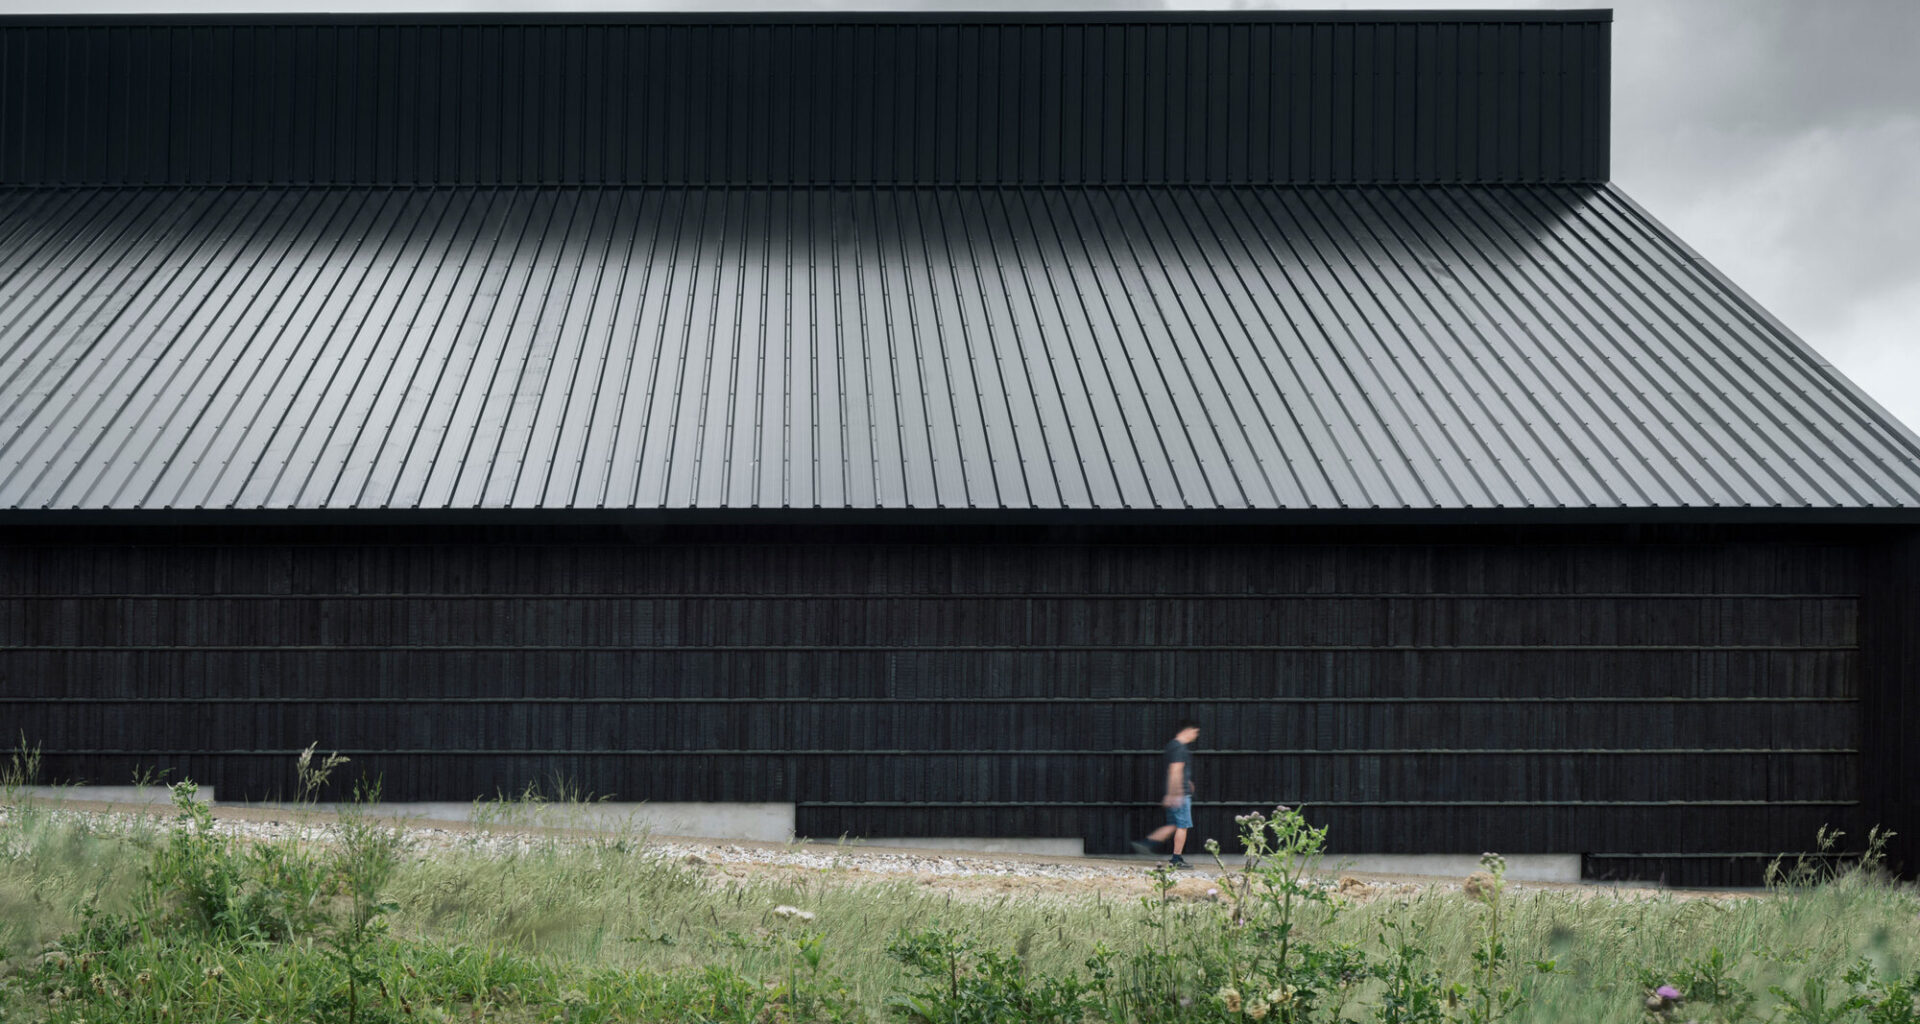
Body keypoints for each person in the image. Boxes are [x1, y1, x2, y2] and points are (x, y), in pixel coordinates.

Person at [1132, 720, 1199, 868]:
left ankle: (1147, 843)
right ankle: (1176, 859)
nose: (1195, 735)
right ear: (1187, 730)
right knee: (1182, 826)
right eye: (1195, 732)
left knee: (1173, 825)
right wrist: (1175, 793)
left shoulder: (1172, 746)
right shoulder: (1179, 748)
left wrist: (1185, 783)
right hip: (1180, 794)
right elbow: (1175, 771)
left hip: (1177, 792)